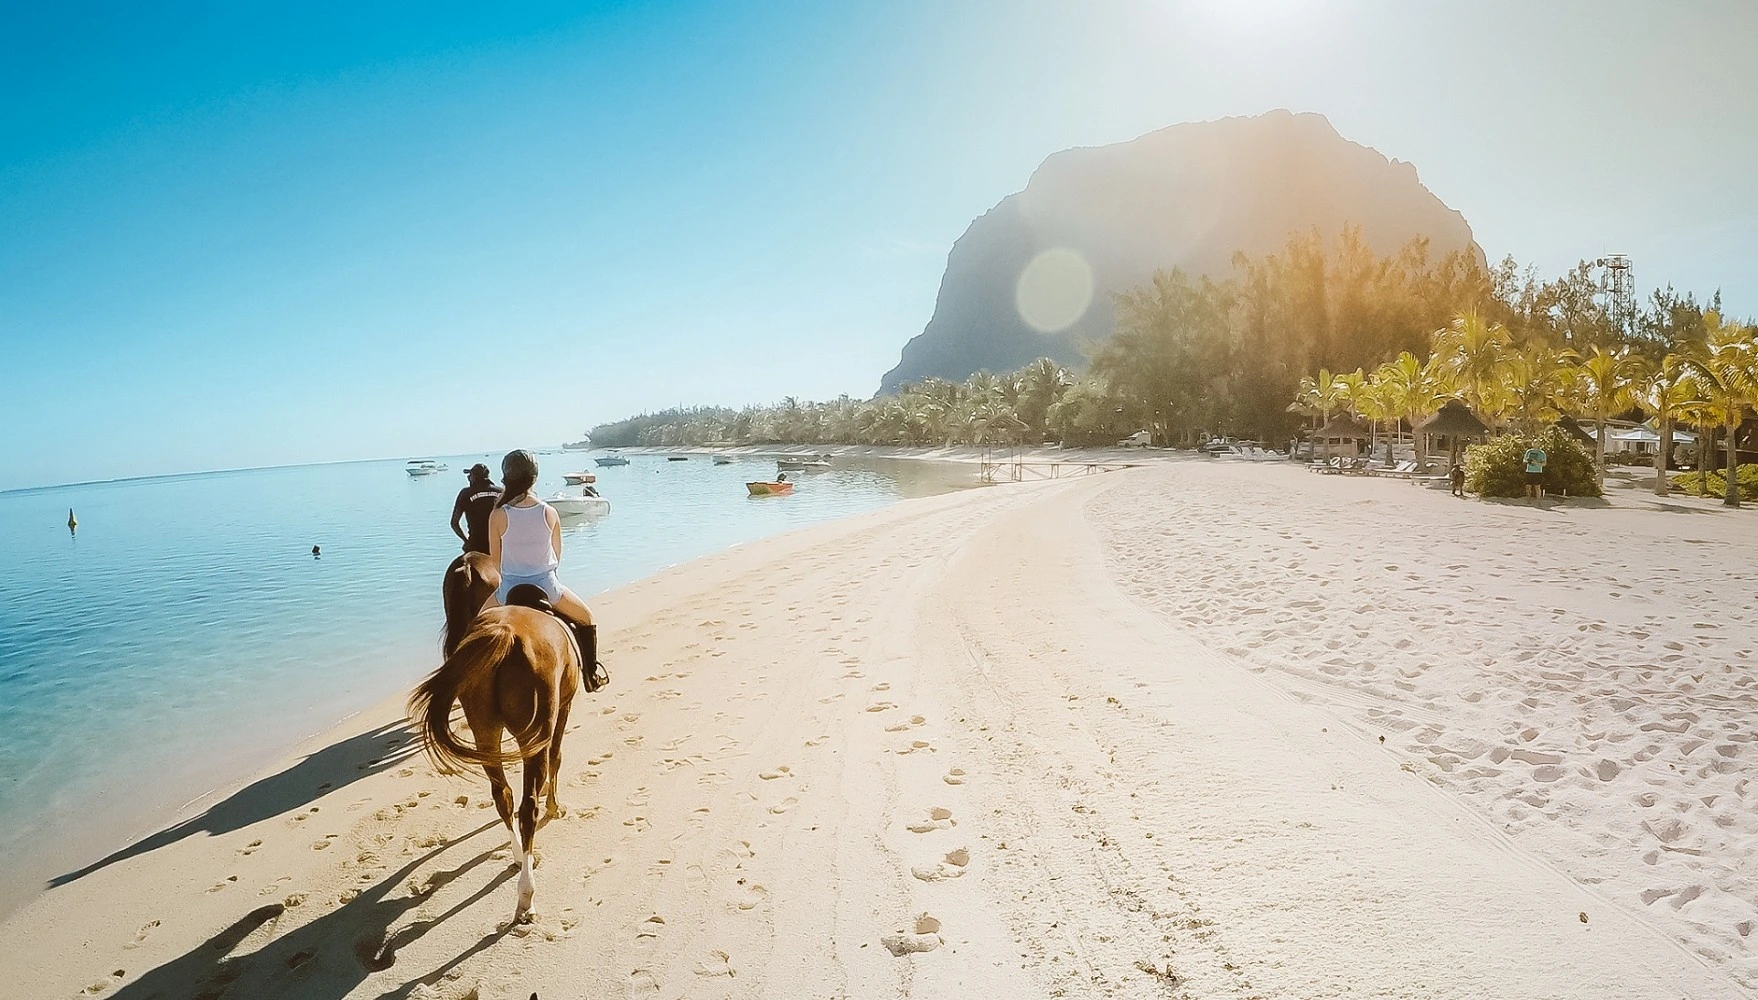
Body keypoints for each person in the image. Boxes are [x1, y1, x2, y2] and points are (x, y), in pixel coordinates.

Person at [482, 450, 605, 684]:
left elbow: (495, 561)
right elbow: (557, 556)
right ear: (534, 478)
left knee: (474, 628)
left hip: (509, 588)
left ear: (506, 477)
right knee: (587, 618)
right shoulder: (549, 512)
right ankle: (591, 675)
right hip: (547, 587)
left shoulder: (498, 515)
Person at [452, 463, 501, 554]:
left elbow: (454, 523)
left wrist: (466, 541)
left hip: (475, 545)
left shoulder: (465, 493)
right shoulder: (501, 492)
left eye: (470, 475)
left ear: (474, 477)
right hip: (498, 544)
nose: (468, 477)